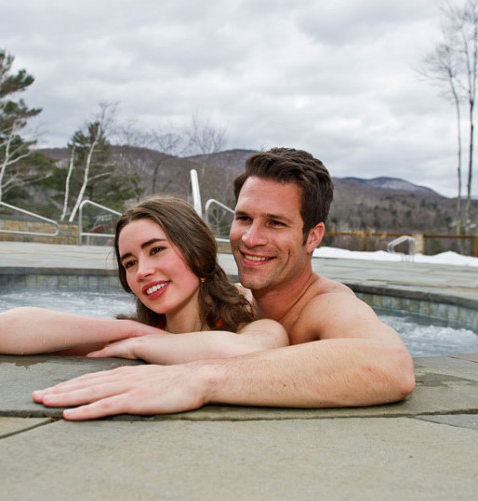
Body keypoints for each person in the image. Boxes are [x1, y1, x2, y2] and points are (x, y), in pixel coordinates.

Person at [31, 148, 416, 421]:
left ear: (313, 237)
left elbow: (391, 367)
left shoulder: (327, 305)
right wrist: (134, 332)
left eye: (275, 223)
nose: (251, 238)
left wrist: (200, 379)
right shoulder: (232, 297)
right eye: (244, 218)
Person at [0, 197, 288, 363]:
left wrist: (143, 346)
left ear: (196, 251)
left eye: (156, 250)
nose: (141, 271)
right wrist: (130, 331)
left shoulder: (250, 317)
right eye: (130, 262)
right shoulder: (134, 335)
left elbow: (249, 355)